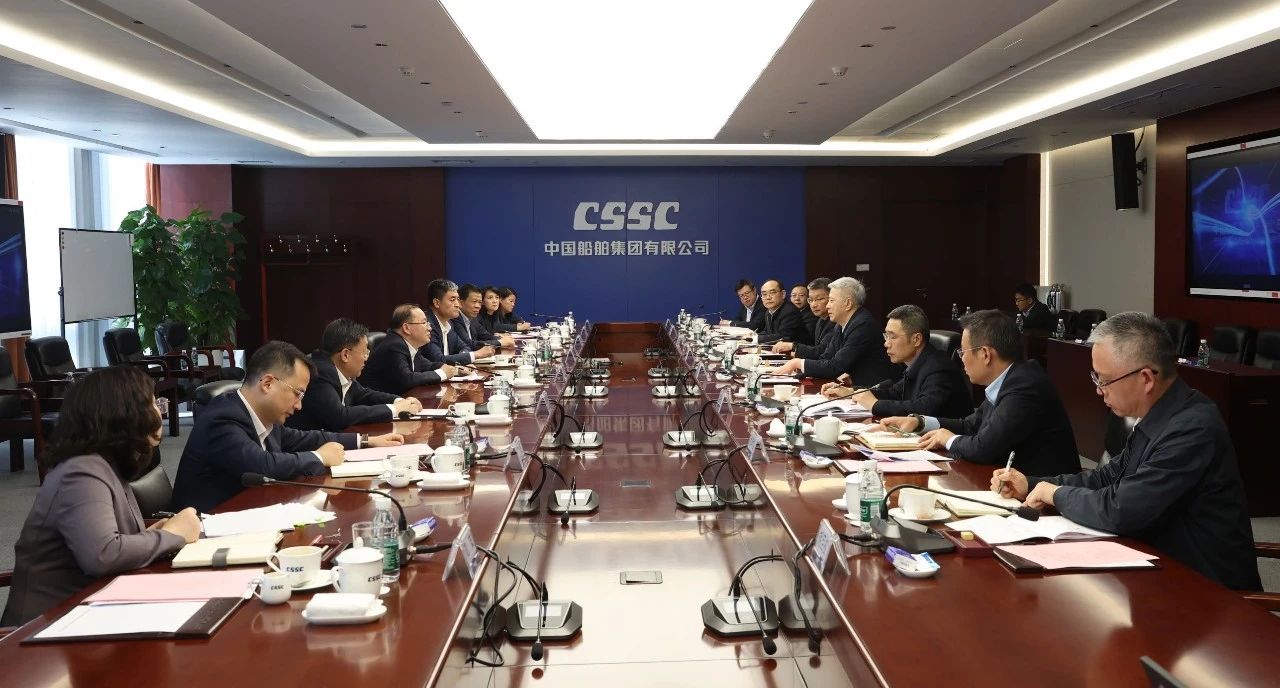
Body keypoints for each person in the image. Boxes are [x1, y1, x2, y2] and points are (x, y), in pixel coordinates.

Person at [991, 312, 1261, 590]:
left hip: (1209, 592)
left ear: (1145, 379)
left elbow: (1121, 509)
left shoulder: (1193, 428)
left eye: (1104, 380)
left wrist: (1055, 494)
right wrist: (1032, 484)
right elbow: (1107, 477)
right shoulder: (1158, 415)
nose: (1099, 391)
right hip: (1159, 572)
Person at [1, 367, 201, 626]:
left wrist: (153, 535)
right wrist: (173, 535)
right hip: (46, 629)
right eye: (153, 404)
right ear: (124, 415)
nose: (160, 412)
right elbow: (103, 554)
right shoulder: (81, 472)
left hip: (89, 613)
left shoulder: (104, 464)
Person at [172, 341, 404, 513]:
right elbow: (262, 466)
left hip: (253, 512)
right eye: (297, 393)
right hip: (207, 531)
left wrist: (365, 441)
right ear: (267, 383)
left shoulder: (263, 417)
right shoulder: (222, 419)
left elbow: (304, 438)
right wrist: (319, 457)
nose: (299, 405)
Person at [878, 310, 1079, 476]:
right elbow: (971, 425)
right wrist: (920, 422)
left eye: (963, 352)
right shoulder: (1011, 378)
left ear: (985, 354)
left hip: (1043, 497)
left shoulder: (1025, 387)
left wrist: (948, 439)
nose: (961, 359)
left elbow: (984, 447)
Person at [831, 305, 972, 418]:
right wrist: (851, 392)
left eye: (893, 337)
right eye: (886, 336)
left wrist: (875, 405)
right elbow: (894, 393)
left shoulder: (939, 369)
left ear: (916, 339)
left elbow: (924, 408)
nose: (886, 344)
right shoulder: (916, 362)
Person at [287, 318, 423, 432]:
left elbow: (363, 394)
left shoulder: (337, 370)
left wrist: (399, 401)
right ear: (345, 355)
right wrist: (394, 409)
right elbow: (340, 416)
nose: (366, 358)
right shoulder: (319, 373)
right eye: (365, 352)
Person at [772, 277, 901, 386]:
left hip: (877, 391)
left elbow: (835, 366)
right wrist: (799, 371)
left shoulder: (863, 324)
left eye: (832, 300)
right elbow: (826, 357)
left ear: (848, 304)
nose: (828, 305)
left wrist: (798, 363)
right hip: (854, 387)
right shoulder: (841, 324)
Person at [360, 304, 458, 395]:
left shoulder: (410, 345)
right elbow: (407, 379)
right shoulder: (394, 346)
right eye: (424, 323)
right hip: (380, 404)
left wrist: (453, 369)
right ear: (406, 328)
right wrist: (442, 373)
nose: (429, 328)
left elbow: (427, 365)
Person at [425, 278, 495, 365]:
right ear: (436, 303)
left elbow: (464, 347)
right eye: (452, 300)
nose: (458, 305)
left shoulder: (449, 323)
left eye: (457, 299)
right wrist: (476, 355)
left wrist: (461, 360)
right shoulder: (427, 325)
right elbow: (438, 360)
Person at [774, 278, 833, 359]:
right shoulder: (820, 320)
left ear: (832, 298)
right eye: (810, 300)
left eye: (819, 299)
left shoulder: (835, 322)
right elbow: (815, 349)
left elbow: (822, 351)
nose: (813, 305)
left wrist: (793, 346)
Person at [457, 283, 512, 350]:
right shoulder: (456, 318)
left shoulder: (472, 318)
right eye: (474, 301)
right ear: (461, 303)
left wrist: (502, 339)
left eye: (479, 302)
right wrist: (499, 342)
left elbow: (485, 335)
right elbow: (469, 344)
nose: (478, 306)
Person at [755, 279, 809, 345]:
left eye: (772, 293)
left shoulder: (790, 312)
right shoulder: (768, 312)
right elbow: (767, 332)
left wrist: (755, 339)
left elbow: (782, 337)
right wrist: (751, 335)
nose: (768, 297)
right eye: (764, 294)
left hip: (797, 350)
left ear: (783, 294)